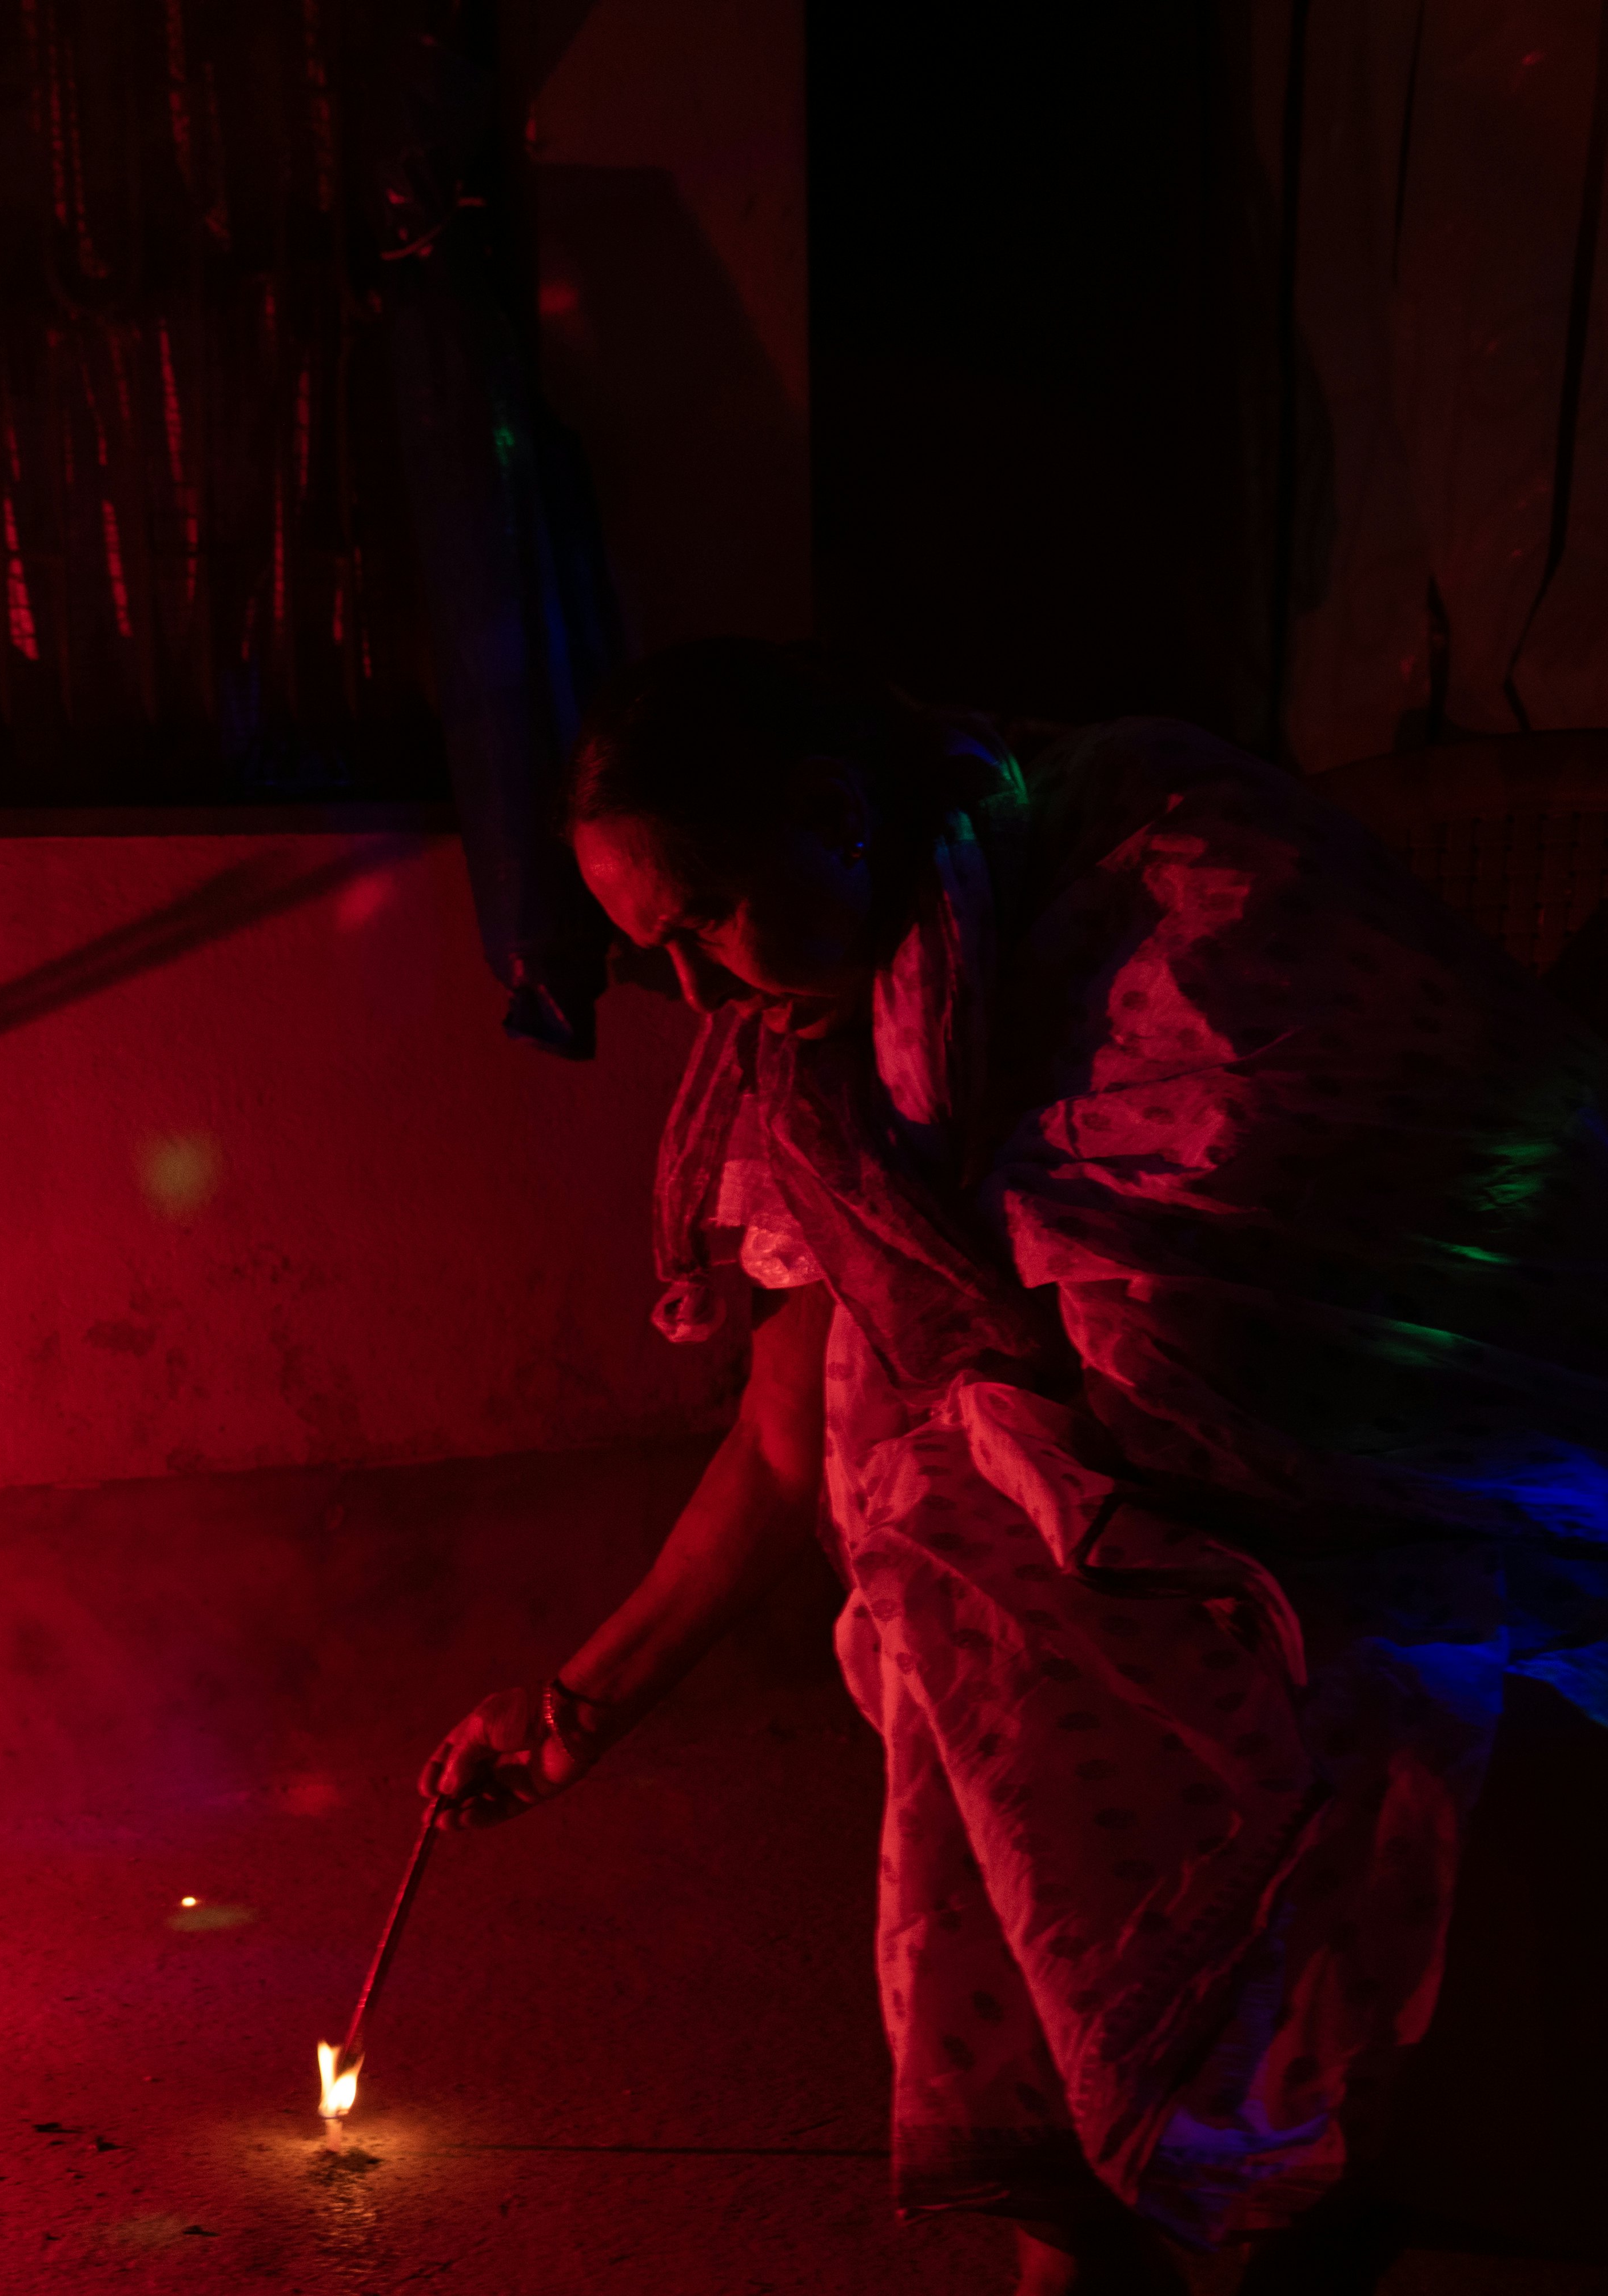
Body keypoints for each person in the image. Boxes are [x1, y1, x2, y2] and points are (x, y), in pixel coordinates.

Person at [422, 642, 1608, 2294]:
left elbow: (1334, 1229)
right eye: (652, 959)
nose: (693, 998)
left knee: (1293, 2031)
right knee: (959, 1606)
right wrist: (578, 1703)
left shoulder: (1179, 898)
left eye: (700, 923)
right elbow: (787, 1433)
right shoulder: (813, 1059)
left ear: (835, 820)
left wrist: (1076, 1416)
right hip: (1040, 1637)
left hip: (1329, 1533)